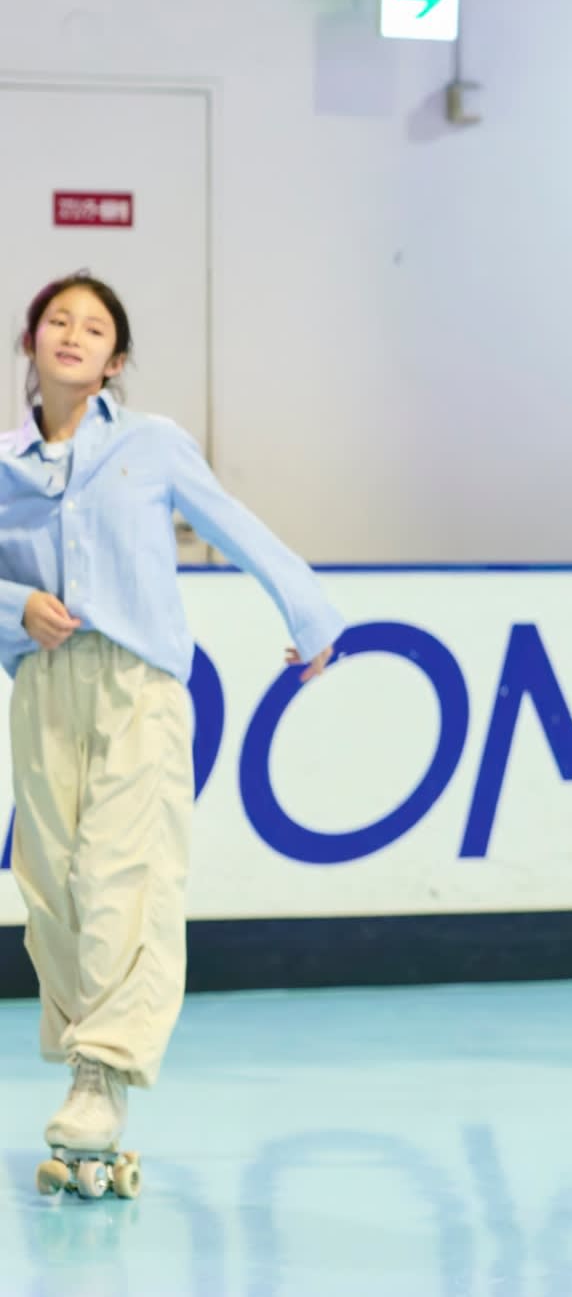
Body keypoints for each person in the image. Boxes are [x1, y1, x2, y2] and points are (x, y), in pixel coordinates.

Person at [0, 272, 342, 1199]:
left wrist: (310, 612)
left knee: (126, 873)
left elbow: (232, 522)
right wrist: (14, 603)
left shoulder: (150, 444)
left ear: (115, 360)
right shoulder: (6, 464)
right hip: (43, 690)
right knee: (52, 885)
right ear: (30, 342)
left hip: (137, 685)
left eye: (94, 327)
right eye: (57, 320)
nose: (73, 333)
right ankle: (84, 1056)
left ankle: (102, 1073)